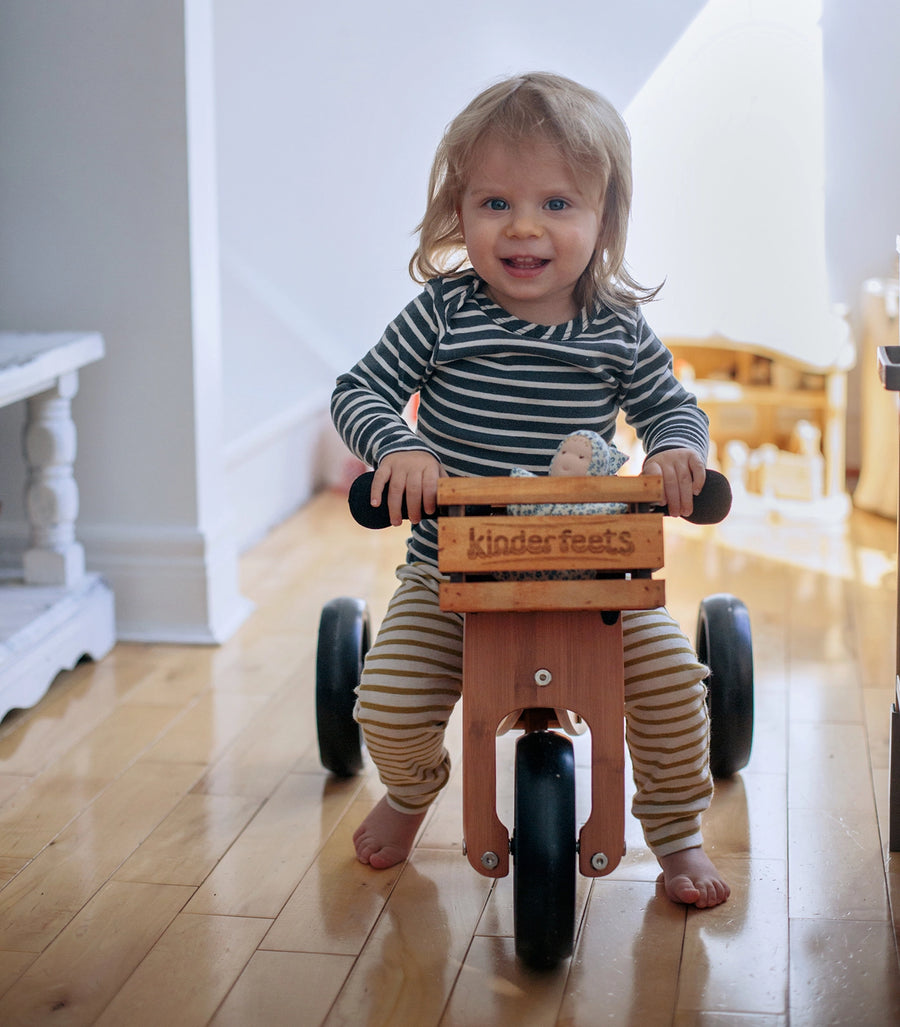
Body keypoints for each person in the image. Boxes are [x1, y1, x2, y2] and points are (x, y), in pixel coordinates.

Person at [331, 72, 730, 908]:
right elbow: (358, 391)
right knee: (389, 705)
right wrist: (399, 447)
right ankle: (411, 793)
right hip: (454, 579)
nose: (523, 227)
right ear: (458, 211)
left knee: (672, 690)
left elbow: (670, 407)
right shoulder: (443, 313)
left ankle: (677, 829)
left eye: (557, 204)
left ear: (604, 220)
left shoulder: (617, 326)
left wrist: (675, 453)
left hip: (596, 582)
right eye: (494, 204)